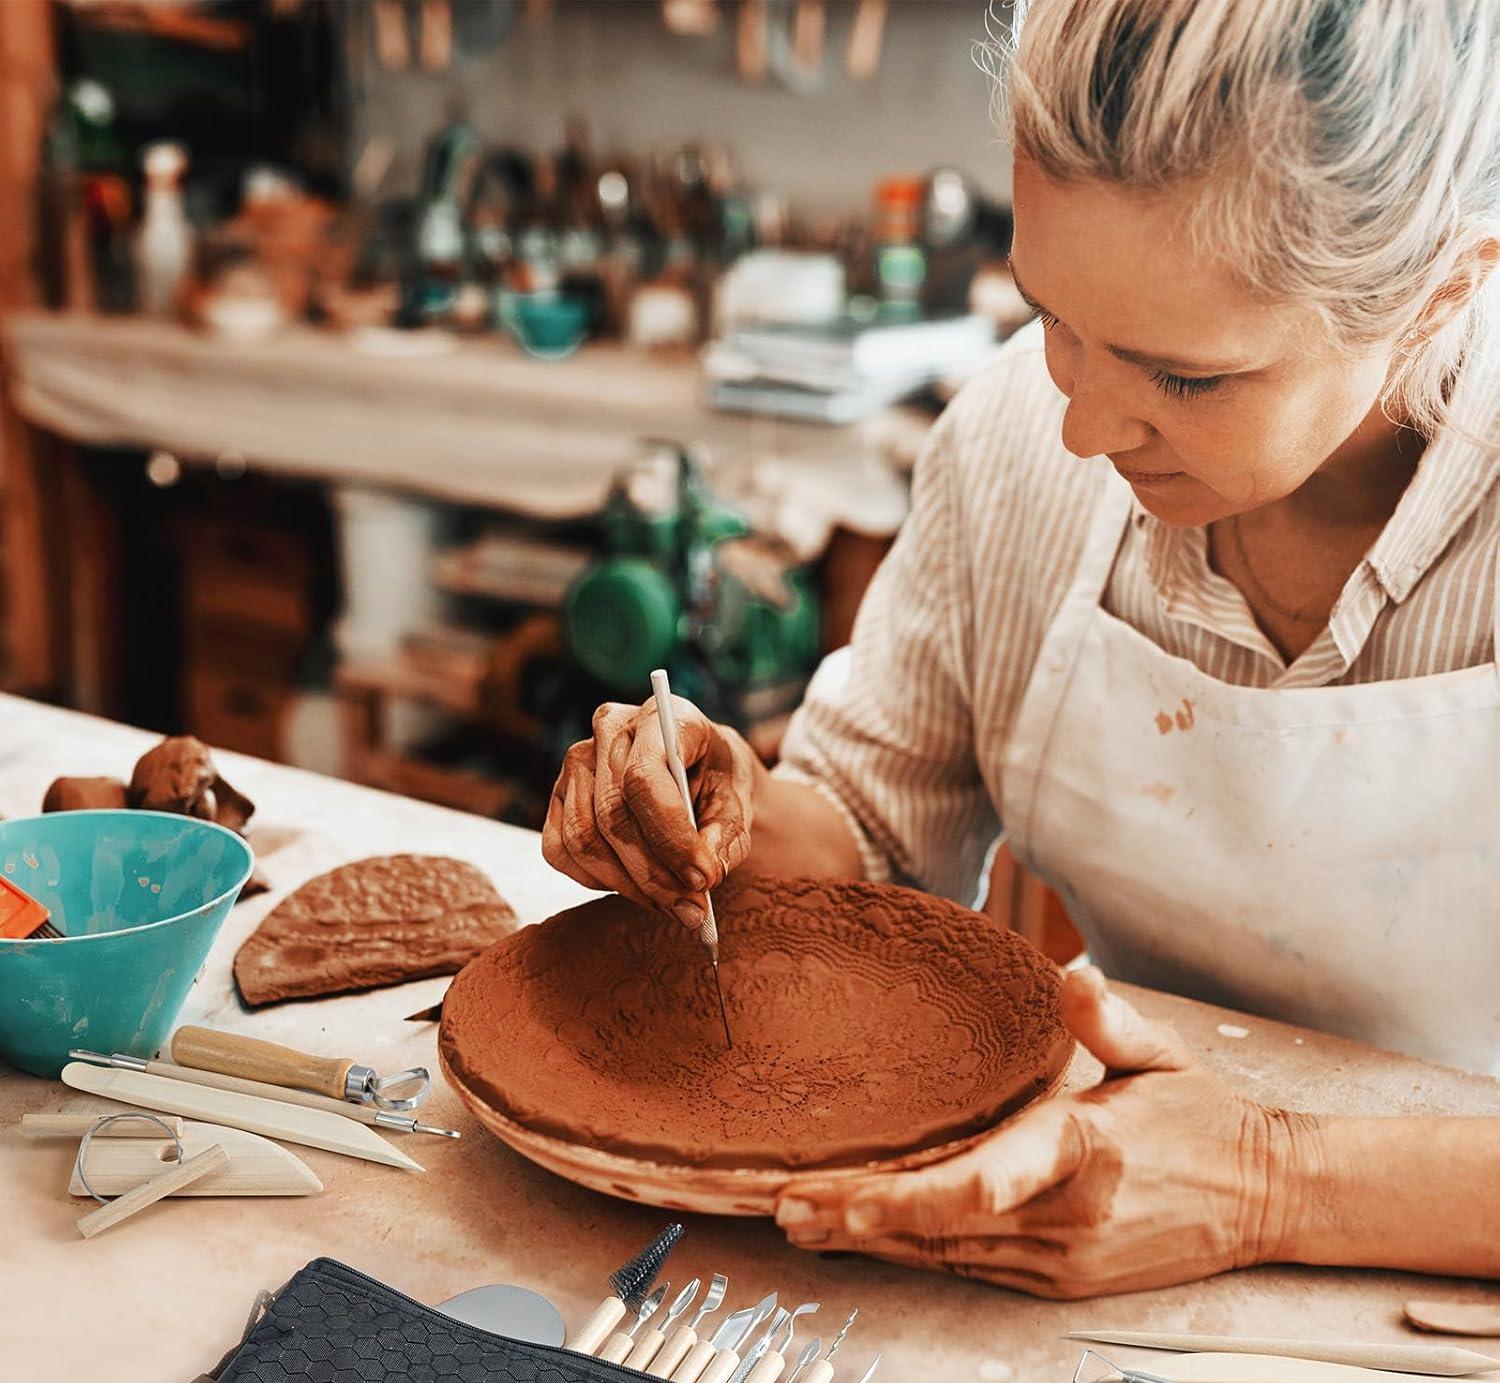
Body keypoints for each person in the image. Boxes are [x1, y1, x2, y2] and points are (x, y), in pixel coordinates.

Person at [544, 0, 1500, 1296]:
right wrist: (727, 812)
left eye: (1186, 378)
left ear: (1447, 283)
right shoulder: (1011, 440)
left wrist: (1268, 1182)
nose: (1084, 426)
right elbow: (873, 848)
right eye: (1053, 316)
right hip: (1094, 1224)